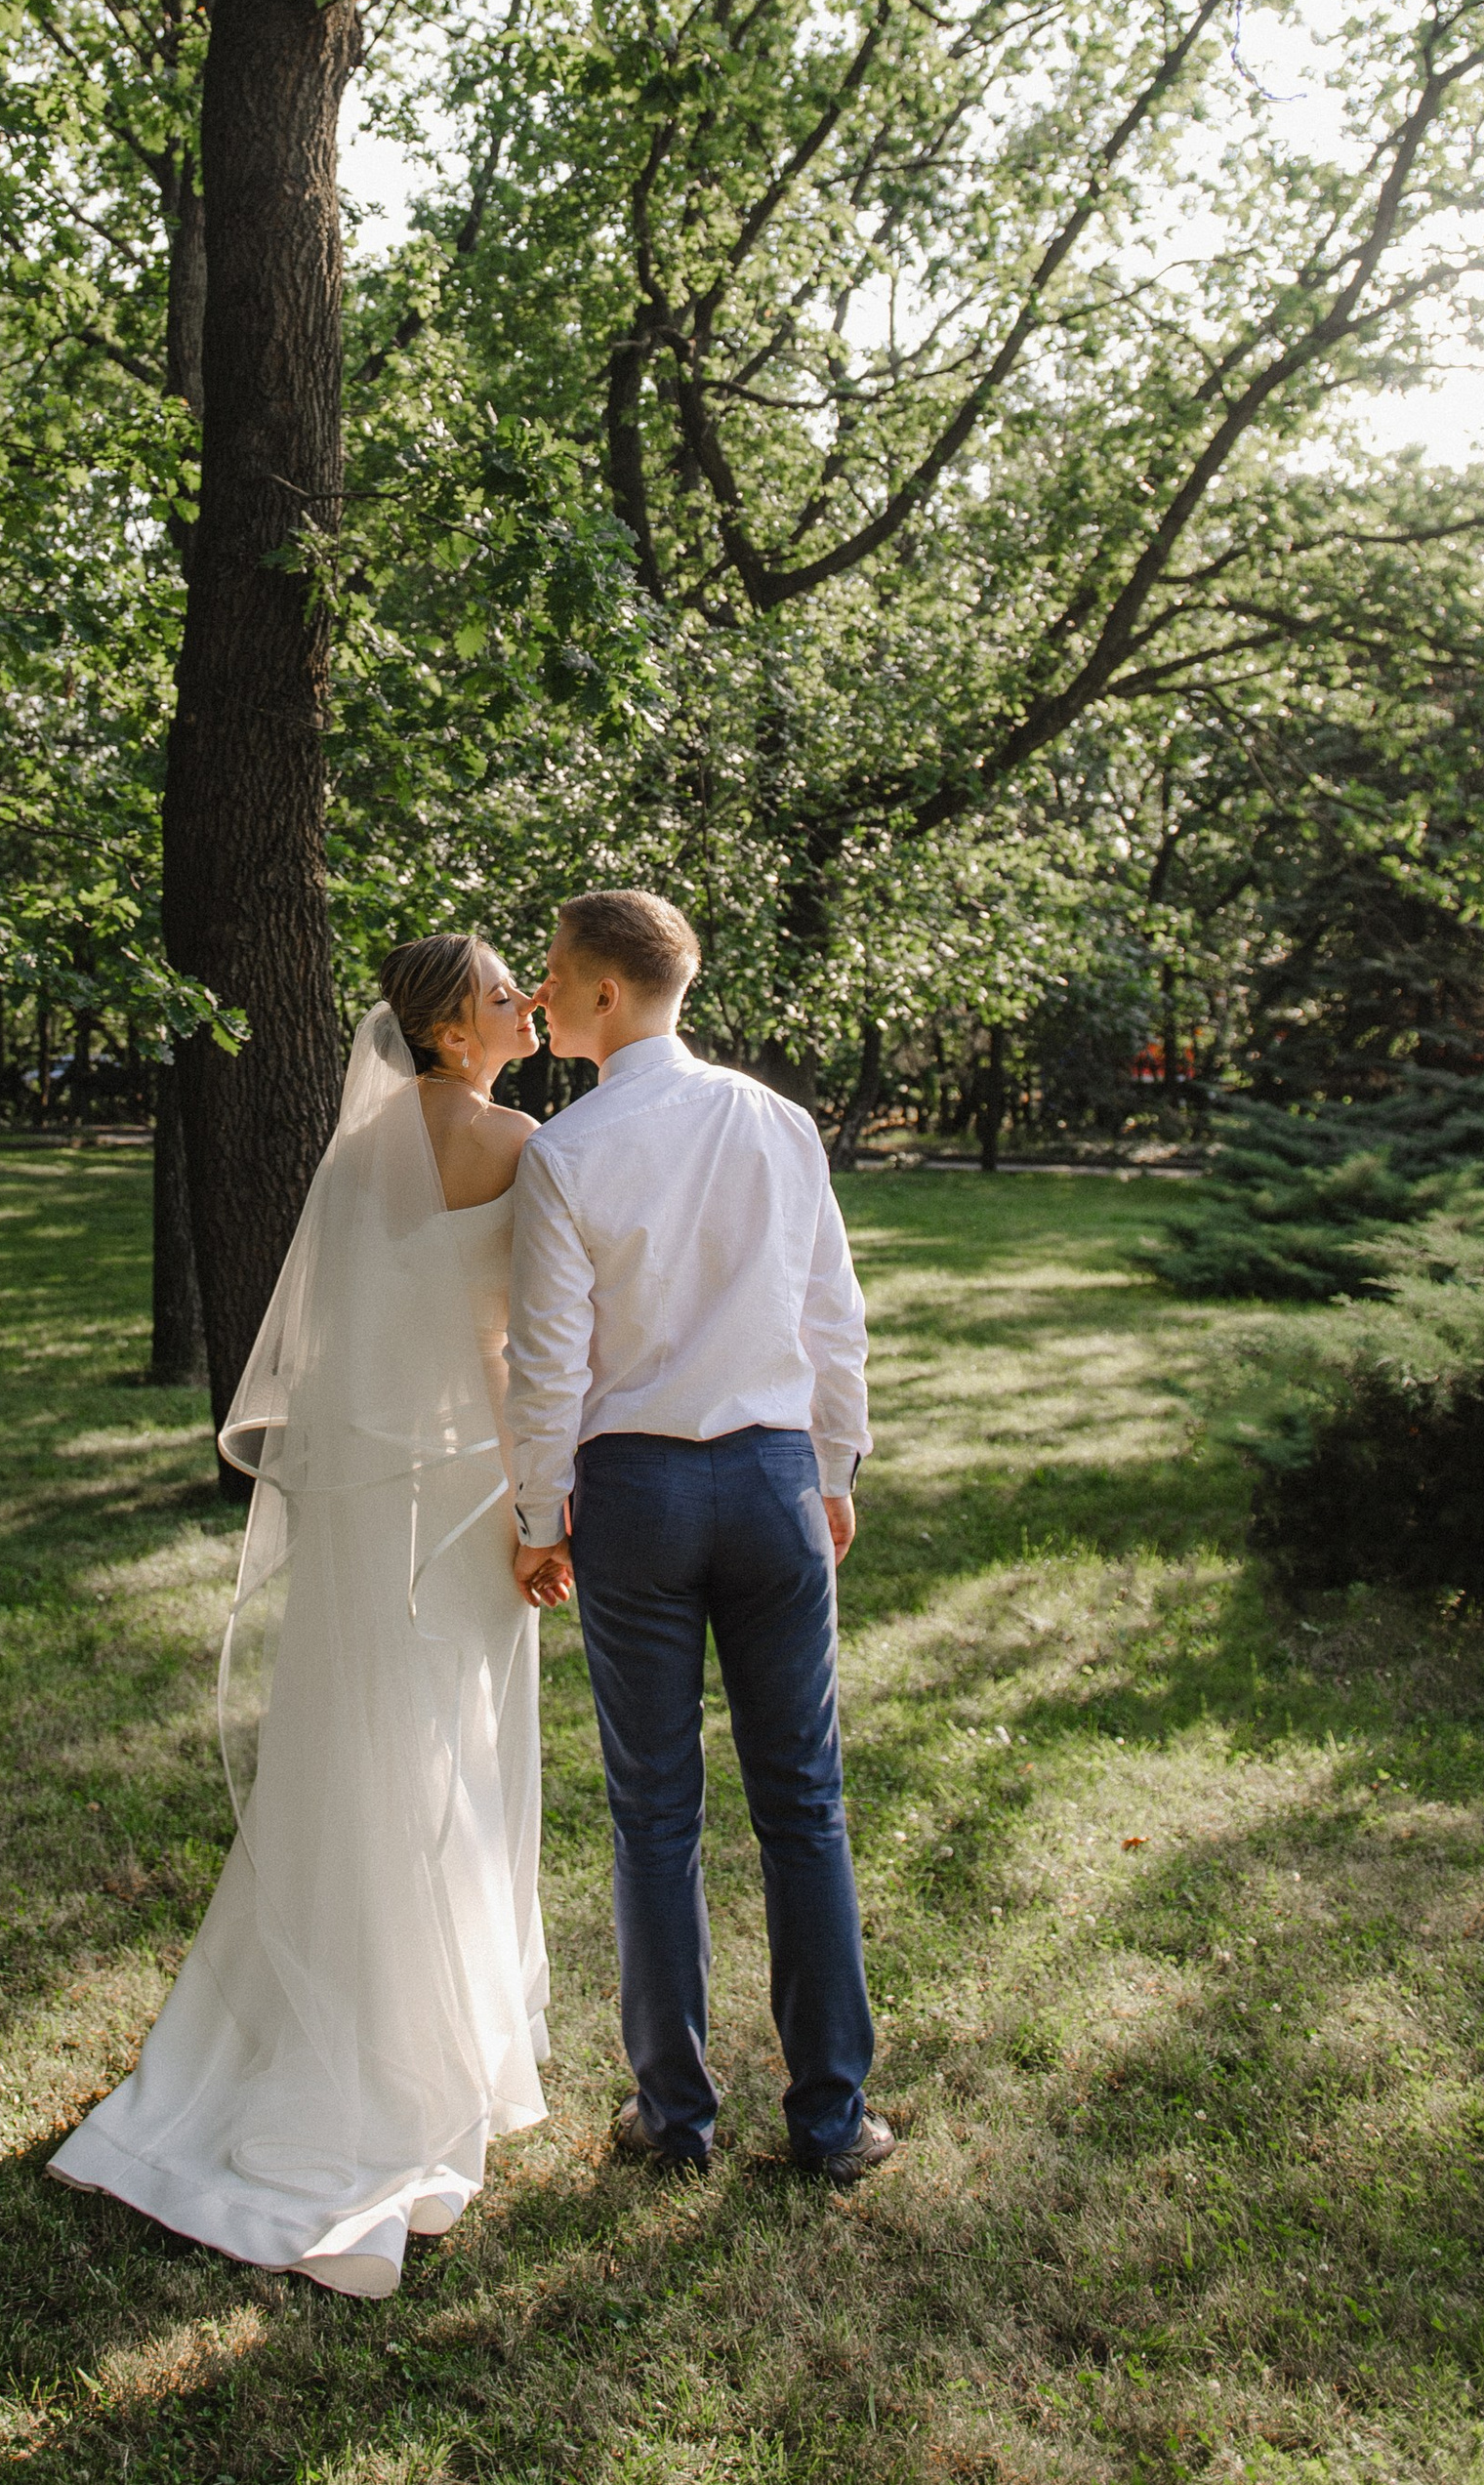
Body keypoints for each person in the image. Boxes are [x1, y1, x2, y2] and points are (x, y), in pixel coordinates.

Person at [49, 935, 552, 2296]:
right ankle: (413, 2059)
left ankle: (341, 2013)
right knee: (443, 1754)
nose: (528, 1003)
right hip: (454, 1505)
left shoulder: (361, 1151)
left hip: (364, 1505)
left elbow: (347, 1341)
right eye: (505, 991)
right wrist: (536, 1511)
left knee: (356, 1753)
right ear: (451, 1032)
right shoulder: (511, 1142)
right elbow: (514, 1344)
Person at [508, 888, 894, 2182]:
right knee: (806, 1803)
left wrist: (531, 1515)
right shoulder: (779, 1124)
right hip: (777, 1482)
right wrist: (834, 1466)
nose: (540, 995)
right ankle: (834, 2119)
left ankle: (675, 2119)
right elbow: (835, 1317)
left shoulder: (566, 1152)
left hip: (636, 1497)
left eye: (554, 976)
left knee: (656, 1810)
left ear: (607, 994)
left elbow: (552, 1365)